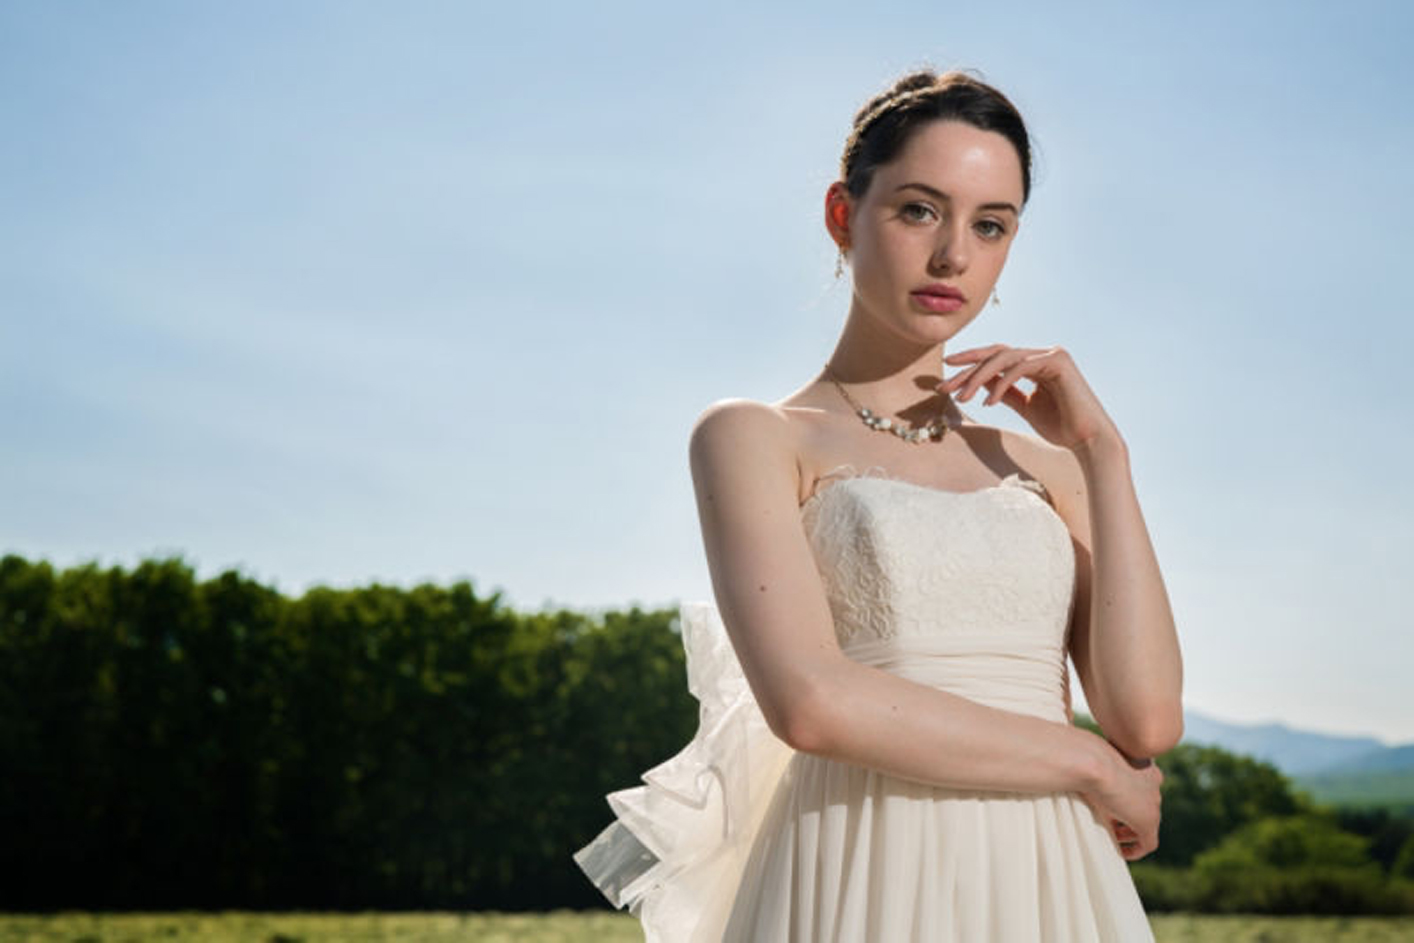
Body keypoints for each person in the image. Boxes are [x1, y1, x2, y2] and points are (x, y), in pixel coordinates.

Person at [574, 66, 1184, 942]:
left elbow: (1149, 717)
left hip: (1050, 873)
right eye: (918, 210)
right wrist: (1089, 762)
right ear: (841, 214)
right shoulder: (753, 437)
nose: (953, 257)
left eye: (991, 226)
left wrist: (1105, 455)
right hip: (859, 859)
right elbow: (812, 702)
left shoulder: (1052, 468)